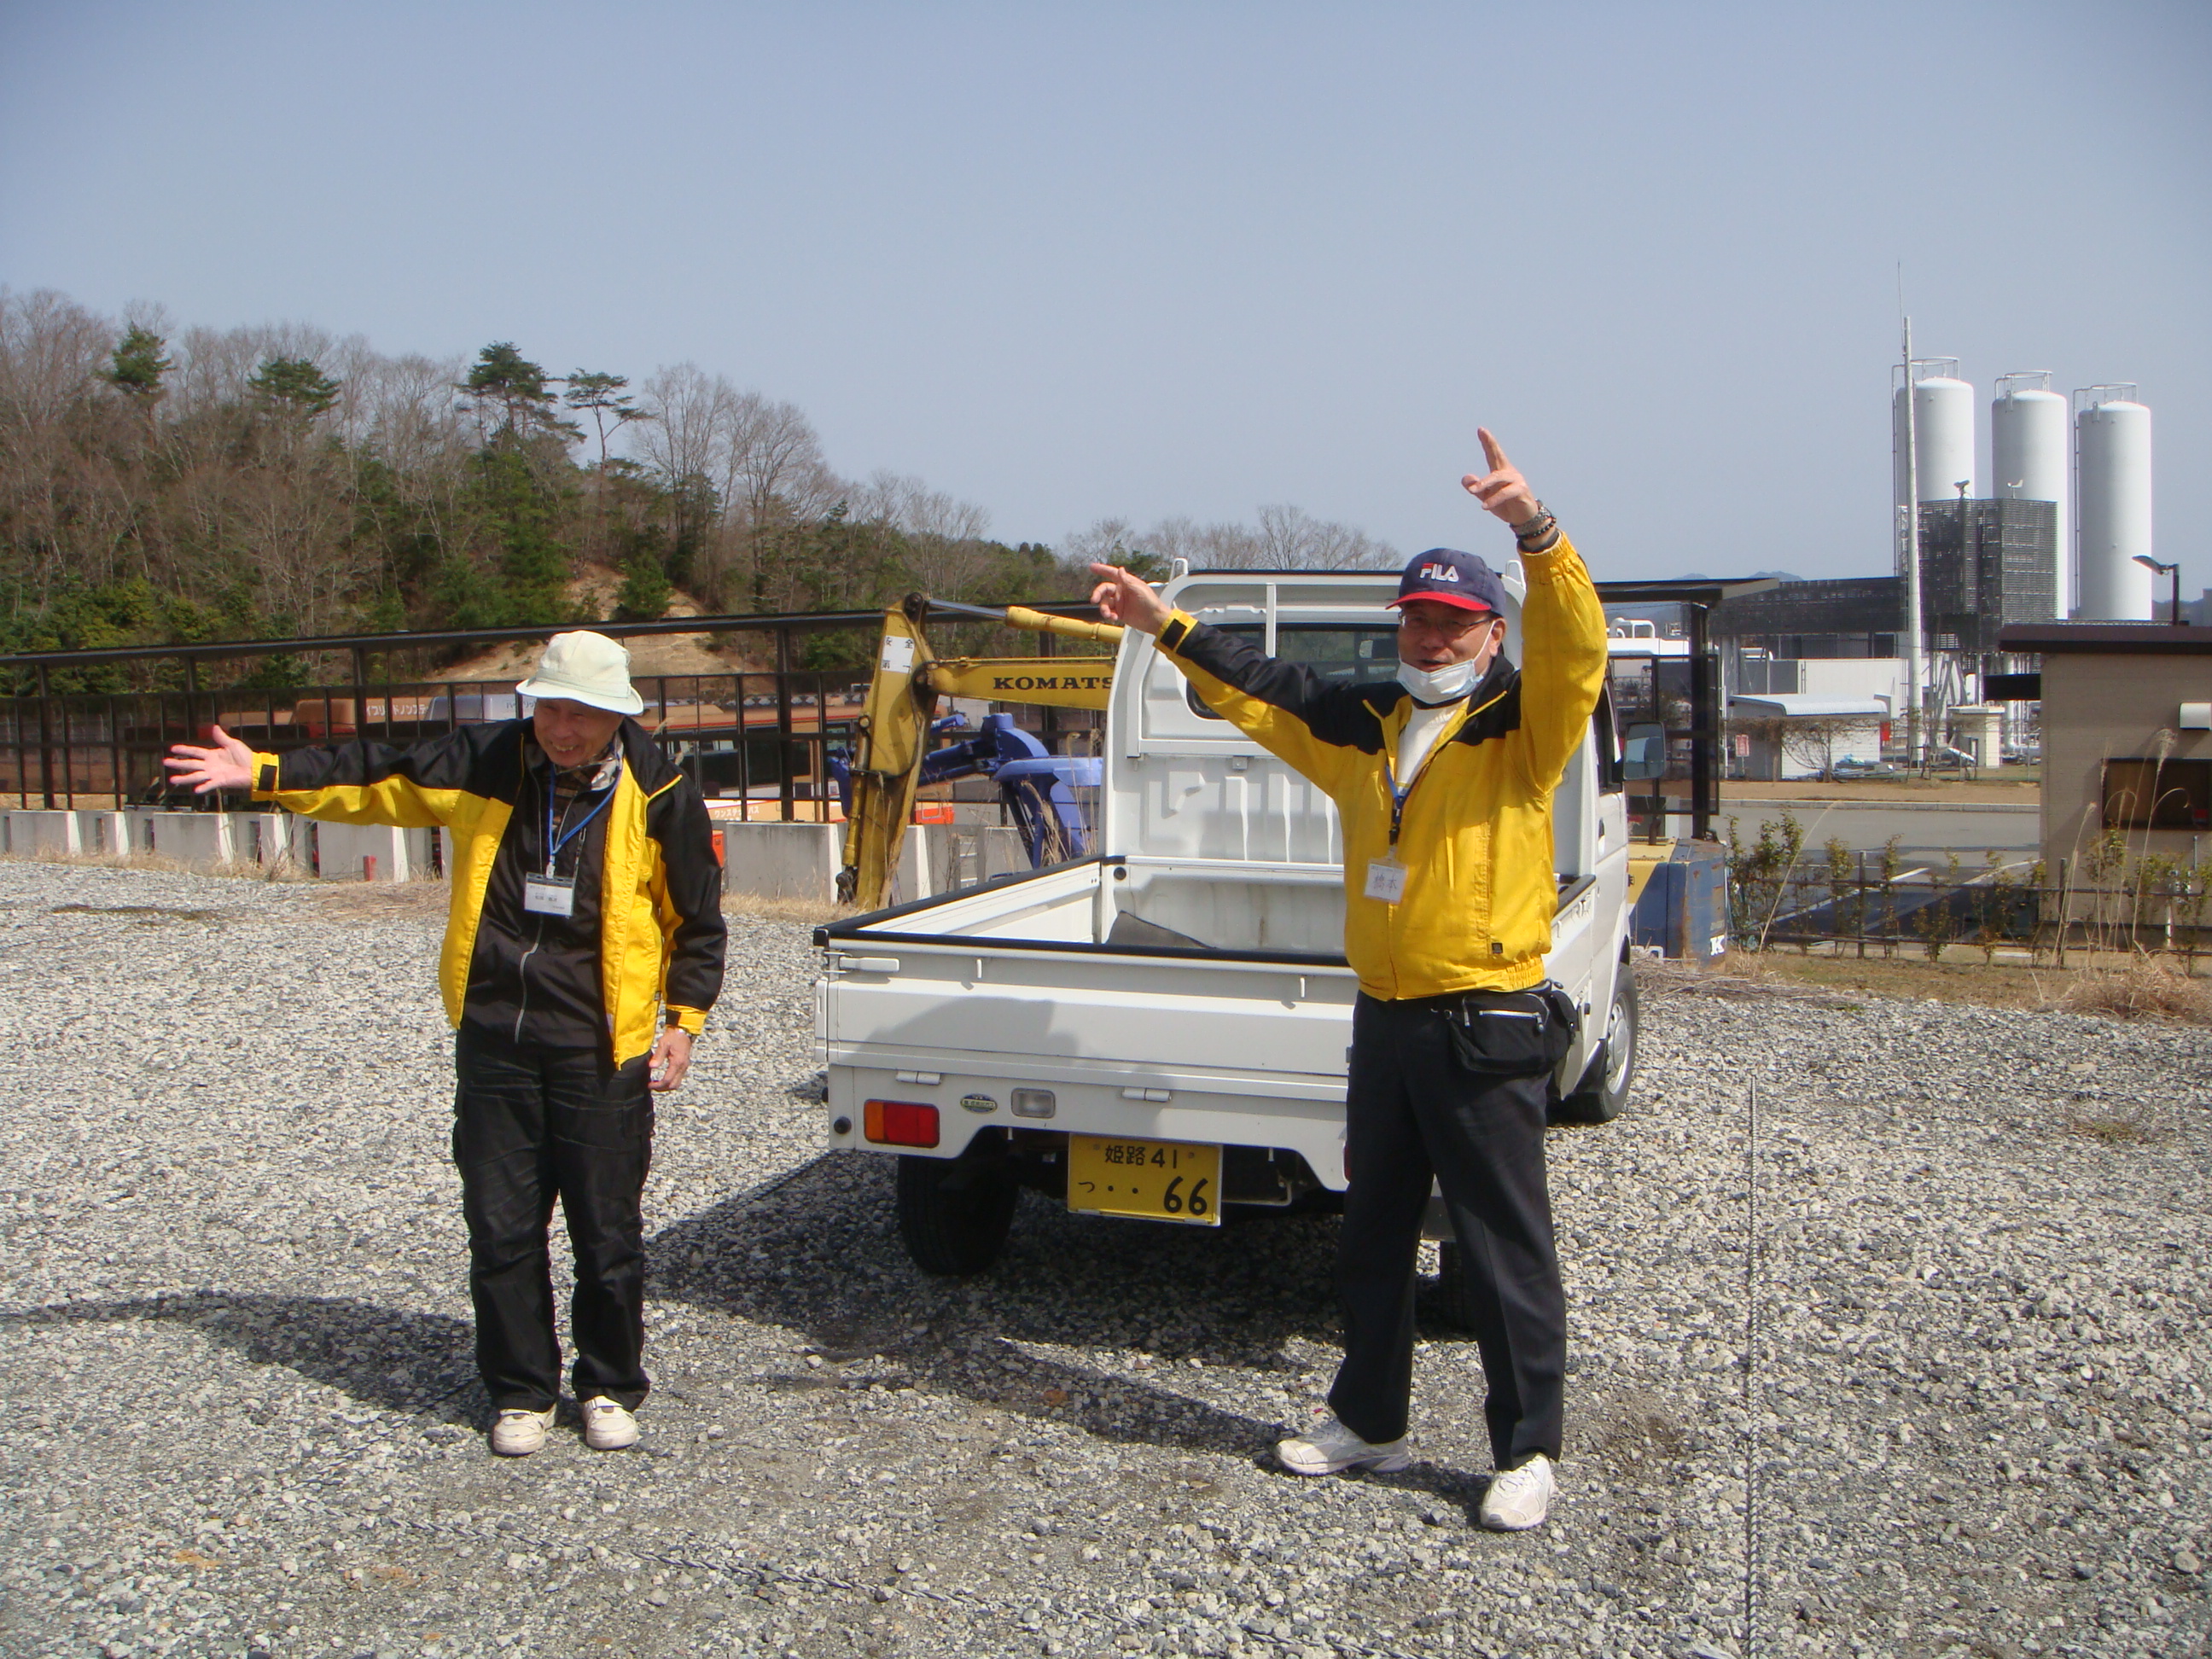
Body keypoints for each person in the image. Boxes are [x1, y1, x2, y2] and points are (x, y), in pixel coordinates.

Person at [1089, 431, 1606, 1530]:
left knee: (1500, 1246)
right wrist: (1161, 625)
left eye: (1453, 622)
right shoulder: (1367, 726)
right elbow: (1263, 688)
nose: (1431, 637)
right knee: (1371, 1231)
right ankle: (1369, 1419)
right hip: (1386, 1017)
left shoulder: (1526, 727)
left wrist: (1536, 530)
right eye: (1416, 619)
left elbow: (1578, 652)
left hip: (1485, 1019)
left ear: (1492, 633)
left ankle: (1528, 1450)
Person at [165, 632, 727, 1457]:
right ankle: (521, 1392)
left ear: (617, 715)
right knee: (501, 1231)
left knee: (607, 1236)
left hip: (601, 1048)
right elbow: (378, 773)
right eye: (550, 709)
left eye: (582, 714)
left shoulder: (663, 789)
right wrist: (268, 773)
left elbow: (697, 919)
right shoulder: (487, 760)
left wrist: (684, 1022)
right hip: (496, 1040)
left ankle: (609, 1384)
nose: (562, 729)